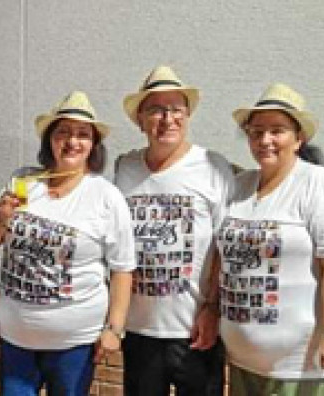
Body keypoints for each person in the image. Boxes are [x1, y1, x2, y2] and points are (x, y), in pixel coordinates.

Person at [0, 91, 135, 395]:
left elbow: (122, 269)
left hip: (74, 342)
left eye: (83, 134)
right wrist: (1, 217)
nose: (72, 141)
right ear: (49, 140)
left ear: (93, 145)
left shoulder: (105, 196)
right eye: (63, 132)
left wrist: (115, 329)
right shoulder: (25, 182)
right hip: (16, 337)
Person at [217, 83, 324, 395]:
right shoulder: (239, 185)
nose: (265, 140)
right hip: (242, 362)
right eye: (256, 131)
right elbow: (221, 261)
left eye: (277, 130)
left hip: (299, 367)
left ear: (298, 137)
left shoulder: (316, 183)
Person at [114, 65, 234, 395]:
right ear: (140, 120)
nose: (167, 119)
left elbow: (226, 247)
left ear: (188, 115)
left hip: (194, 329)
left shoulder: (212, 166)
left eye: (176, 109)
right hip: (139, 331)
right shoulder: (125, 167)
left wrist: (213, 308)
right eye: (155, 110)